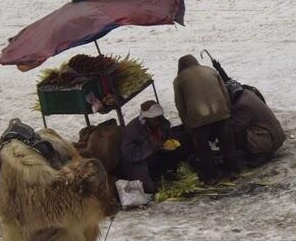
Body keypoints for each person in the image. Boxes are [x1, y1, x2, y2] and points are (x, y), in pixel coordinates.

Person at [173, 54, 238, 183]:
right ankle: (232, 170)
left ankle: (211, 175)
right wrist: (228, 111)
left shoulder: (179, 79)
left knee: (203, 148)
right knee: (227, 143)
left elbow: (180, 104)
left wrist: (186, 123)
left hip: (198, 117)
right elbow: (224, 92)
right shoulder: (211, 70)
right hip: (220, 112)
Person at [120, 100, 187, 193]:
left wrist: (168, 143)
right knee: (152, 165)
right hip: (141, 165)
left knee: (179, 149)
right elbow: (129, 154)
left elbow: (167, 133)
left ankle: (169, 174)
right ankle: (155, 181)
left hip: (158, 155)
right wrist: (150, 147)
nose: (159, 121)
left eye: (160, 118)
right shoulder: (133, 130)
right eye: (156, 120)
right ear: (146, 119)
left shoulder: (161, 122)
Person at [225, 79, 285, 167]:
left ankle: (262, 153)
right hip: (273, 134)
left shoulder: (243, 105)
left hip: (269, 139)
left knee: (236, 133)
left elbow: (235, 127)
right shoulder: (247, 94)